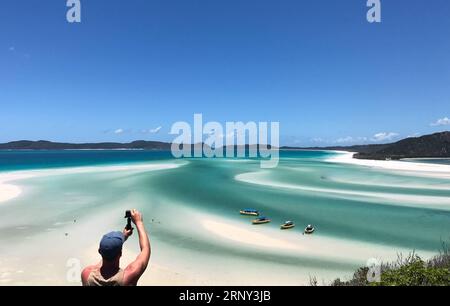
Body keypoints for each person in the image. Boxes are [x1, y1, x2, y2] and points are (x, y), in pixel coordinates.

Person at [81, 209, 151, 286]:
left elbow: (105, 256)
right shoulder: (128, 277)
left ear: (99, 251)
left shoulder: (86, 275)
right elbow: (146, 249)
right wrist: (139, 222)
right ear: (120, 253)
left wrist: (123, 237)